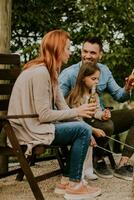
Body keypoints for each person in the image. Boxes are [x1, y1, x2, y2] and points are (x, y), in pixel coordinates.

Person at [7, 30, 101, 199]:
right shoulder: (40, 72)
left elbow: (62, 106)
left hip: (35, 124)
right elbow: (43, 115)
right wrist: (79, 115)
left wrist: (88, 129)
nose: (70, 52)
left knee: (82, 129)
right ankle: (74, 186)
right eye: (67, 48)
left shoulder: (51, 73)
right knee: (81, 130)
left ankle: (66, 181)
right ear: (57, 49)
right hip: (28, 129)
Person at [59, 37, 134, 181]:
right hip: (78, 119)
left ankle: (123, 164)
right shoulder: (69, 73)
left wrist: (127, 87)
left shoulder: (104, 70)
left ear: (100, 55)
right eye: (85, 51)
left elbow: (119, 96)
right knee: (108, 125)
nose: (88, 56)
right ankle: (98, 159)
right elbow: (57, 104)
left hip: (98, 114)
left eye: (93, 53)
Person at [67, 62, 114, 180]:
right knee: (85, 142)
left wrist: (103, 115)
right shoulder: (76, 96)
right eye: (93, 79)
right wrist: (92, 130)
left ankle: (88, 169)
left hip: (88, 123)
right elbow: (75, 118)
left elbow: (96, 112)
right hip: (77, 124)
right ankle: (80, 170)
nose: (96, 82)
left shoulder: (95, 95)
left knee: (89, 146)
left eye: (98, 79)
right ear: (83, 78)